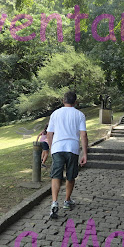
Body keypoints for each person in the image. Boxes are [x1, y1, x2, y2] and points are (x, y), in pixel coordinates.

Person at [46, 91, 88, 219]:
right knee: (71, 175)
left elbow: (49, 134)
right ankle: (67, 201)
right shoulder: (79, 115)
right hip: (72, 148)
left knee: (56, 176)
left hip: (57, 148)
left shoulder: (55, 114)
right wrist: (85, 153)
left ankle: (54, 202)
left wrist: (51, 148)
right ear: (75, 102)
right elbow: (83, 135)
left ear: (63, 101)